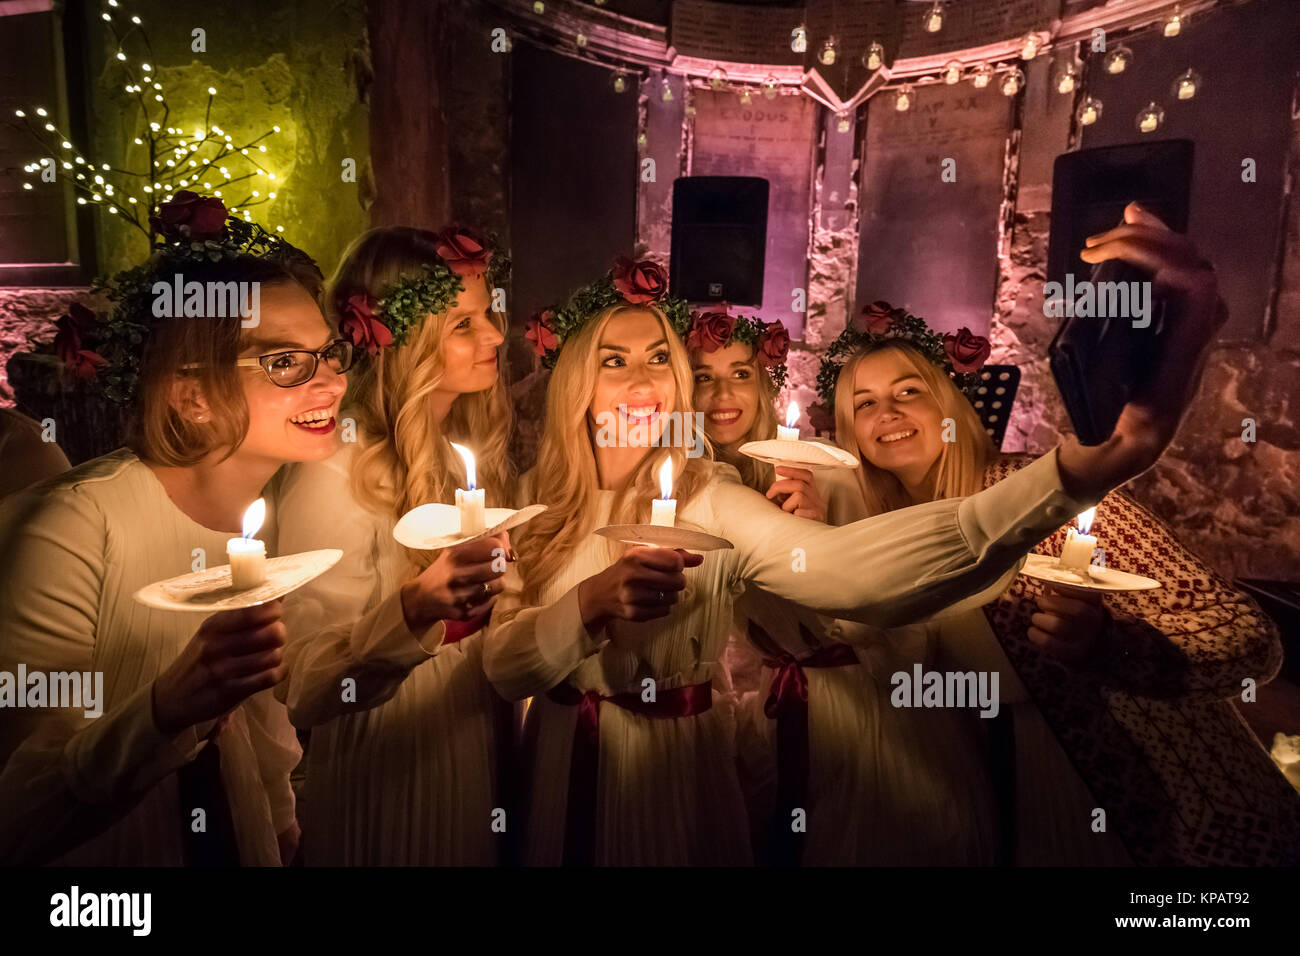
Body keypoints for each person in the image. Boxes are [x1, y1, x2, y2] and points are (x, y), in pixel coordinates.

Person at [482, 236, 1215, 866]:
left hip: (675, 793)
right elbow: (502, 663)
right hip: (556, 788)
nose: (643, 380)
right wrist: (584, 605)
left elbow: (858, 573)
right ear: (576, 380)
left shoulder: (711, 498)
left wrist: (1075, 471)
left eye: (658, 359)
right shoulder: (536, 506)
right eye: (614, 360)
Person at [813, 203, 1300, 865]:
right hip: (1006, 820)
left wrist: (1111, 645)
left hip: (1161, 821)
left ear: (952, 405)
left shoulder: (1039, 499)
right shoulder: (882, 539)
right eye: (863, 404)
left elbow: (1247, 640)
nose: (887, 414)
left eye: (908, 391)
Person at [0, 193, 348, 865]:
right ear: (190, 395)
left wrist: (277, 822)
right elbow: (17, 813)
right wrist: (165, 707)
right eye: (285, 363)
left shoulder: (255, 519)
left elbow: (255, 721)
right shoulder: (70, 530)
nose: (330, 382)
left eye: (328, 353)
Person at [689, 307, 997, 865]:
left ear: (766, 383)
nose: (721, 394)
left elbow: (909, 631)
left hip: (878, 723)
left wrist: (821, 540)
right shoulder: (691, 490)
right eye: (702, 376)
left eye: (740, 373)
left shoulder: (838, 474)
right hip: (774, 718)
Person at [273, 225, 515, 865]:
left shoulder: (459, 450)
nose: (493, 335)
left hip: (474, 721)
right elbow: (303, 681)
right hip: (391, 750)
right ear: (402, 339)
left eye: (487, 313)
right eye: (463, 325)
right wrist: (412, 610)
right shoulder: (336, 473)